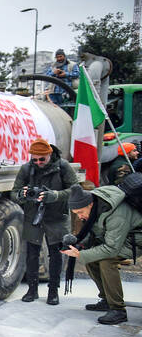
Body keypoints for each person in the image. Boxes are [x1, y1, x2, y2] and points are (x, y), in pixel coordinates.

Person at [10, 138, 77, 305]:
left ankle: (53, 291)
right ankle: (32, 290)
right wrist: (22, 195)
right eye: (35, 159)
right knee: (32, 253)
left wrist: (55, 195)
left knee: (56, 254)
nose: (38, 162)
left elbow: (76, 190)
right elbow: (14, 193)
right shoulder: (27, 169)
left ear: (50, 155)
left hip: (57, 216)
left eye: (42, 159)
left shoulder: (62, 167)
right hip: (33, 215)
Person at [63, 184, 142, 325]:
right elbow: (95, 231)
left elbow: (111, 249)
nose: (80, 216)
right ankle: (107, 299)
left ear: (90, 205)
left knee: (106, 261)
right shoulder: (95, 207)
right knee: (91, 260)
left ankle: (118, 310)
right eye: (76, 213)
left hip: (136, 241)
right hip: (119, 238)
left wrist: (80, 255)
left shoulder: (116, 214)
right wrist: (78, 244)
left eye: (81, 212)